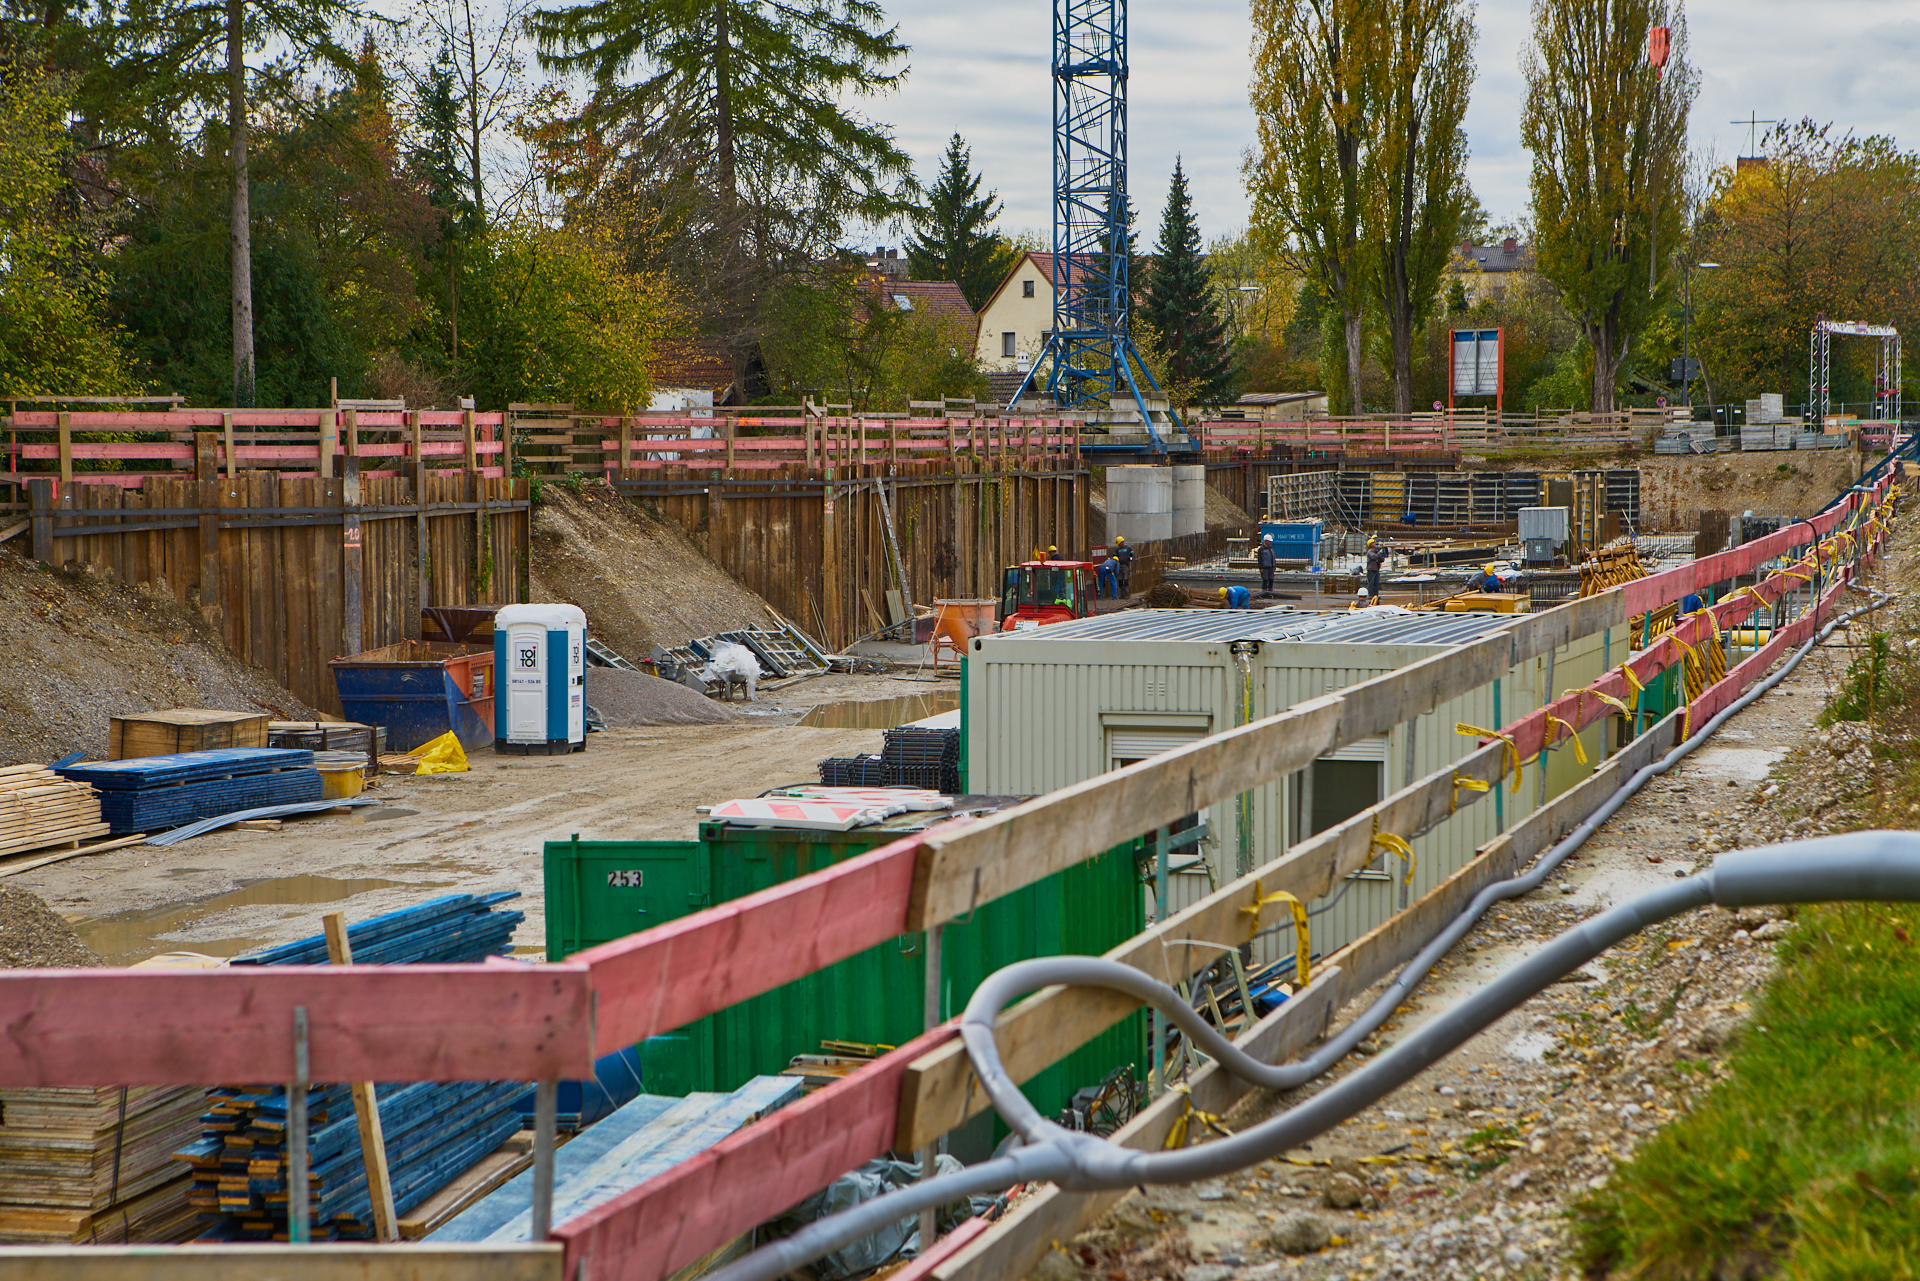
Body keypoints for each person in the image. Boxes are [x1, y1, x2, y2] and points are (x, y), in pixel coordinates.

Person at [1365, 536, 1391, 600]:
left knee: (1376, 583)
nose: (1375, 544)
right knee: (1371, 583)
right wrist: (1379, 553)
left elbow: (1381, 560)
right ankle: (1371, 595)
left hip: (1376, 569)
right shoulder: (1370, 552)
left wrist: (1382, 555)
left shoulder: (1376, 551)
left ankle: (1375, 595)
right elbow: (1374, 557)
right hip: (1371, 569)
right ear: (1371, 545)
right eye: (1374, 543)